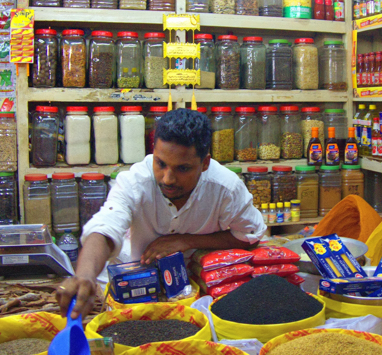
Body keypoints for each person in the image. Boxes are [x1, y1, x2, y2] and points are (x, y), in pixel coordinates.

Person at [56, 109, 265, 318]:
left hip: (193, 291)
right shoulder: (136, 181)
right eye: (161, 164)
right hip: (130, 283)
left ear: (204, 164)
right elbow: (106, 226)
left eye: (183, 168)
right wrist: (85, 275)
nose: (167, 179)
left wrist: (187, 241)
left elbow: (249, 234)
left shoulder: (225, 187)